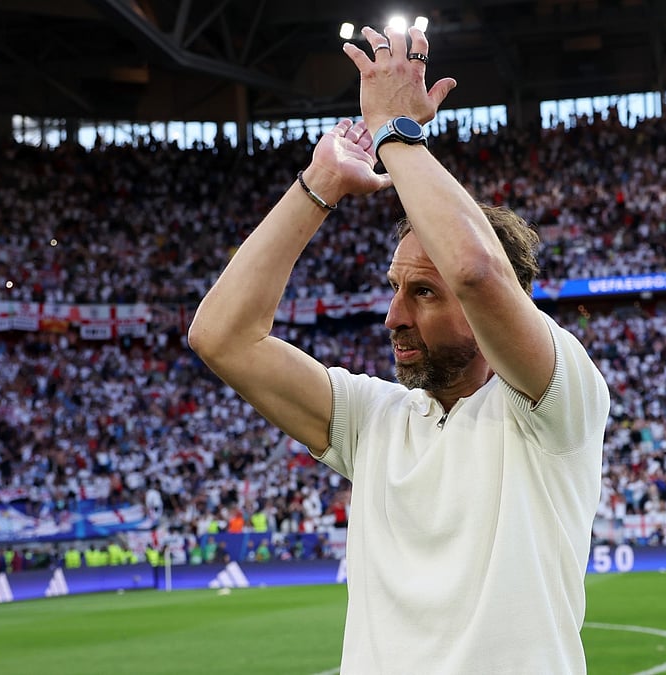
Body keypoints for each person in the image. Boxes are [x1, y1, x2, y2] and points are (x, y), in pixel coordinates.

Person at [189, 23, 610, 675]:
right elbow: (220, 336)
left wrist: (395, 130)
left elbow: (475, 269)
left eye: (422, 293)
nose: (393, 315)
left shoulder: (557, 403)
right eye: (394, 289)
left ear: (486, 312)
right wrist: (317, 184)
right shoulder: (374, 420)